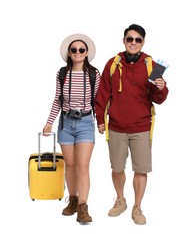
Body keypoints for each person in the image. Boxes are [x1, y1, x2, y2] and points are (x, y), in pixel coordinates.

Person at [94, 24, 169, 225]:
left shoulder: (152, 65)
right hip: (116, 126)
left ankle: (137, 207)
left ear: (143, 42)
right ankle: (120, 200)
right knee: (117, 168)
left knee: (141, 169)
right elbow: (102, 94)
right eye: (130, 39)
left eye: (138, 39)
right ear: (124, 41)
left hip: (142, 127)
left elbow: (158, 98)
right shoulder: (113, 63)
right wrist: (100, 119)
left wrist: (162, 87)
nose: (133, 42)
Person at [43, 33, 100, 223]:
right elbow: (57, 100)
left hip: (85, 124)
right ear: (69, 53)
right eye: (74, 50)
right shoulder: (62, 73)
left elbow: (98, 101)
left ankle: (83, 207)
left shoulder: (93, 74)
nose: (77, 52)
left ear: (86, 53)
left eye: (81, 50)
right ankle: (73, 201)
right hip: (65, 124)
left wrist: (100, 121)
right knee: (70, 165)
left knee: (83, 166)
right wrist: (49, 122)